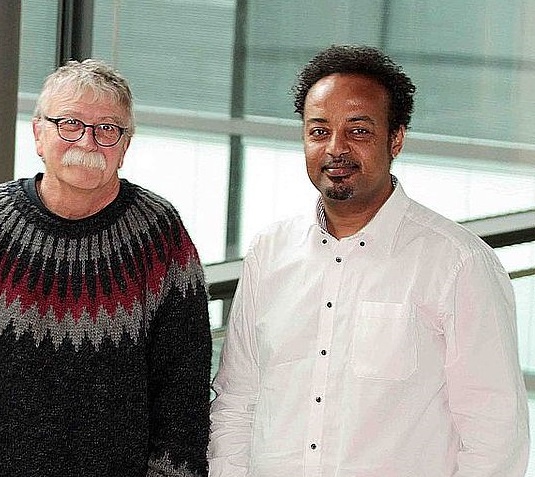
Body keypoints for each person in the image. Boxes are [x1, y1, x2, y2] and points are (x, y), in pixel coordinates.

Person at [208, 44, 530, 476]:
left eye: (358, 131)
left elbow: (494, 439)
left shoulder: (459, 264)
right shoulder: (270, 251)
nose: (335, 148)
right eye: (318, 131)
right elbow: (235, 403)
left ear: (395, 138)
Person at [0, 59, 212, 477]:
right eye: (69, 123)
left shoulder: (160, 234)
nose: (88, 142)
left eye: (108, 129)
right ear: (38, 134)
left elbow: (184, 383)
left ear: (125, 145)